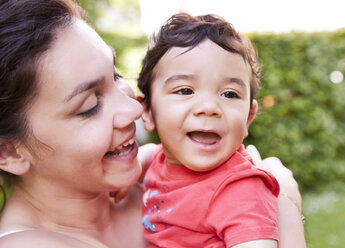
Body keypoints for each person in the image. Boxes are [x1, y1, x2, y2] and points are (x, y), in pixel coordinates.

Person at [0, 1, 305, 247]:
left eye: (117, 76)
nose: (134, 107)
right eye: (89, 106)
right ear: (8, 152)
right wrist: (286, 202)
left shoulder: (156, 185)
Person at [136, 13, 303, 248]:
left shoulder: (240, 189)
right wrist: (135, 163)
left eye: (229, 94)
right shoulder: (160, 159)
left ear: (248, 118)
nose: (209, 108)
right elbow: (150, 153)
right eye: (185, 90)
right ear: (148, 111)